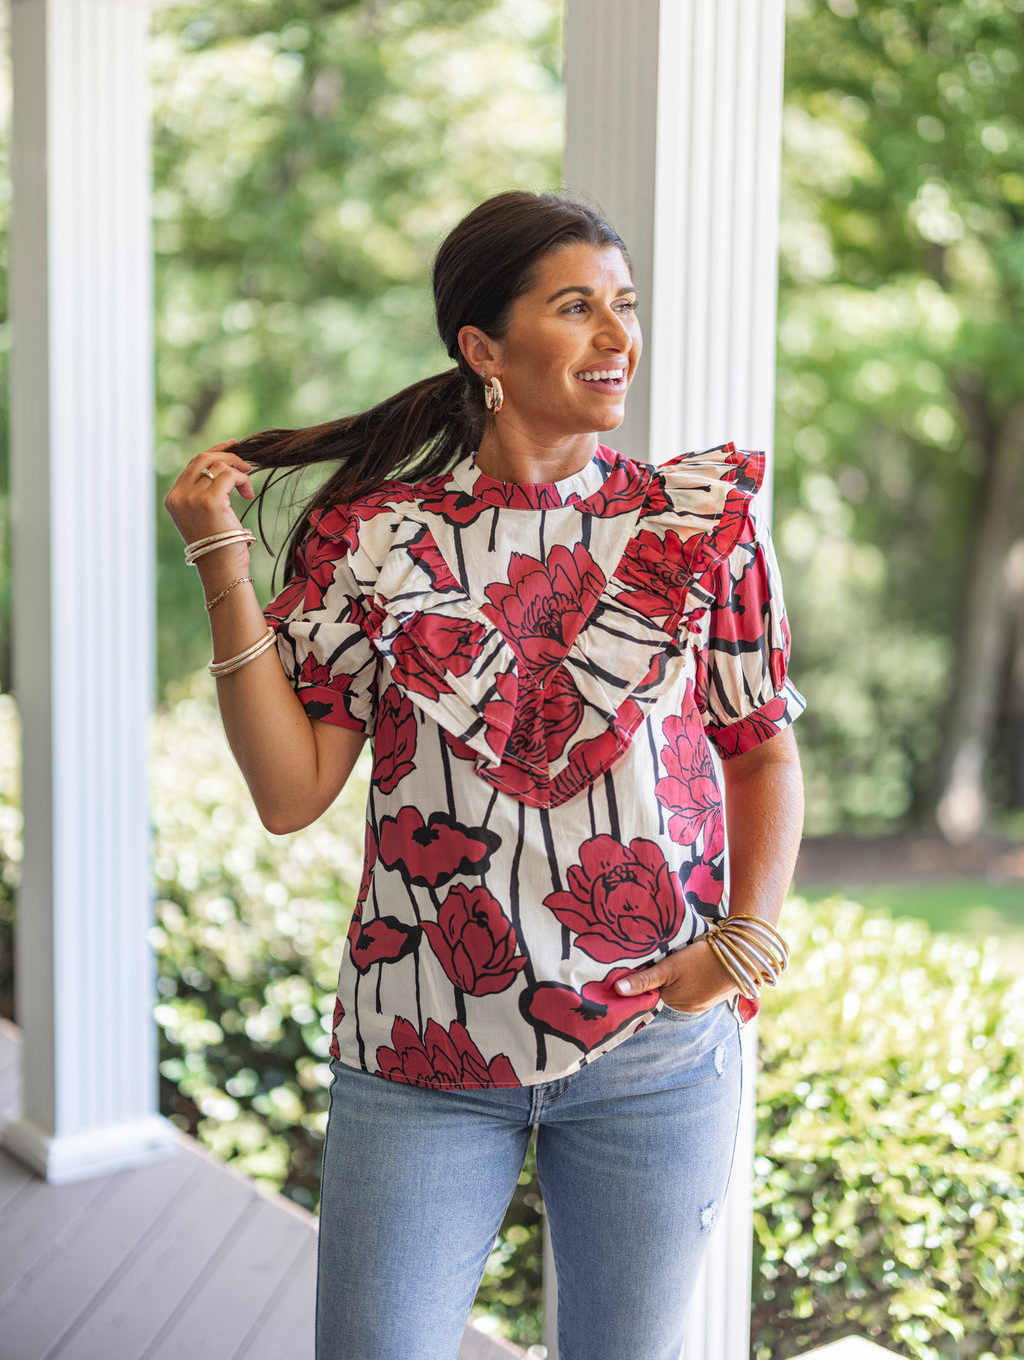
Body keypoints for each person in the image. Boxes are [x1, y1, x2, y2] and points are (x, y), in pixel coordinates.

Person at [165, 190, 805, 1360]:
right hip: (421, 1052)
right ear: (483, 347)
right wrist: (223, 562)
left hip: (653, 1044)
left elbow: (760, 746)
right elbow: (290, 790)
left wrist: (744, 940)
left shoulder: (692, 525)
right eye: (577, 307)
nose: (618, 335)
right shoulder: (377, 537)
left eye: (623, 305)